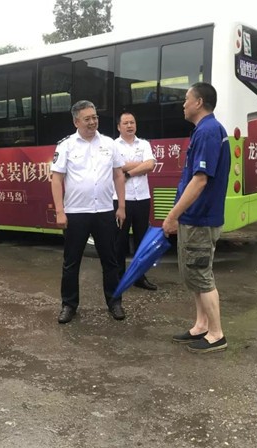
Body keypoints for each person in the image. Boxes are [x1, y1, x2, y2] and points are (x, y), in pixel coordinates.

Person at [162, 82, 230, 354]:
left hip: (200, 218)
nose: (183, 104)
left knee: (201, 274)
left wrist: (172, 215)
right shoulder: (206, 130)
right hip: (197, 217)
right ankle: (201, 325)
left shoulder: (208, 131)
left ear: (199, 102)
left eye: (186, 99)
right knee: (194, 273)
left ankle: (216, 334)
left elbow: (200, 180)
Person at [51, 100, 127, 324]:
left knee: (110, 261)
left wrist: (121, 206)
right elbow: (56, 179)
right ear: (76, 122)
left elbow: (118, 175)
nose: (93, 122)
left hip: (104, 211)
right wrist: (59, 211)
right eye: (87, 119)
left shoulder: (109, 144)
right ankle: (69, 305)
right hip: (76, 213)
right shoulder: (66, 146)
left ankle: (114, 302)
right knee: (71, 262)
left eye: (95, 117)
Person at [114, 111, 158, 291]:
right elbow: (116, 167)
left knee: (142, 240)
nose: (129, 125)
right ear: (119, 127)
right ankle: (119, 277)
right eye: (125, 123)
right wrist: (139, 164)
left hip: (142, 197)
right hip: (120, 199)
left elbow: (150, 165)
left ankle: (140, 277)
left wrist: (128, 172)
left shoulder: (144, 144)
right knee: (119, 240)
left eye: (132, 122)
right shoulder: (113, 146)